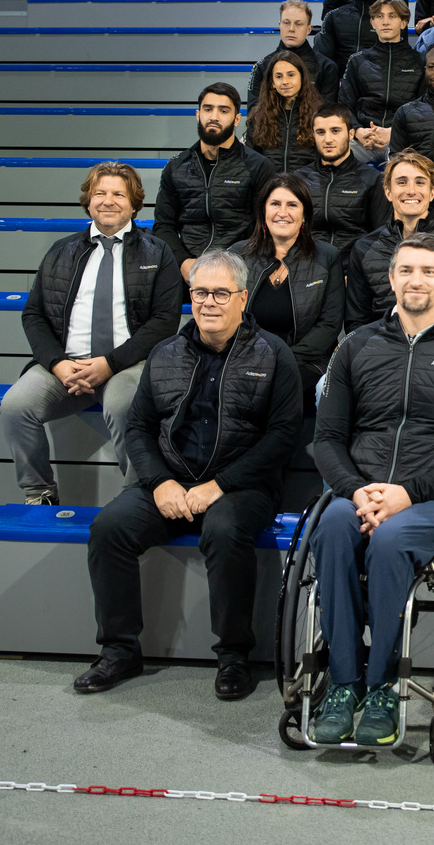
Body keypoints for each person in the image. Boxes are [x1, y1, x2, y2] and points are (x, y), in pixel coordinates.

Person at [306, 234, 434, 746]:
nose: (415, 280)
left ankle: (380, 686)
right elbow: (327, 439)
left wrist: (407, 493)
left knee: (391, 540)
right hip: (357, 493)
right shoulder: (355, 345)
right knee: (331, 530)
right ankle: (343, 682)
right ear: (391, 278)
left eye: (428, 271)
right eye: (406, 270)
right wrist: (356, 492)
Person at [76, 248, 300, 699]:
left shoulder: (275, 354)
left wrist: (219, 486)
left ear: (242, 298)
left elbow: (282, 435)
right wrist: (159, 482)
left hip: (242, 487)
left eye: (220, 293)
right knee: (109, 528)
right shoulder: (164, 352)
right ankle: (119, 650)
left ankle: (234, 656)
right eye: (200, 292)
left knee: (224, 530)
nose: (208, 302)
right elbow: (138, 426)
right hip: (171, 481)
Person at [6, 162, 183, 507]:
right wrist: (57, 364)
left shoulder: (157, 252)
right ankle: (38, 492)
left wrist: (110, 363)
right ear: (88, 201)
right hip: (66, 367)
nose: (108, 201)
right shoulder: (60, 251)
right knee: (15, 406)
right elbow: (34, 314)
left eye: (119, 194)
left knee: (123, 406)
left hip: (126, 366)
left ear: (134, 204)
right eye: (100, 193)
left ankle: (137, 496)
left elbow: (164, 322)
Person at [229, 174, 343, 415]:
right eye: (275, 204)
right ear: (263, 212)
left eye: (292, 205)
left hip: (306, 361)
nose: (283, 212)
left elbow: (329, 326)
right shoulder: (238, 255)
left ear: (304, 215)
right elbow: (227, 315)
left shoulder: (327, 257)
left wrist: (281, 359)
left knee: (279, 388)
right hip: (246, 357)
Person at [344, 151, 434, 329]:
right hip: (381, 350)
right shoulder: (363, 248)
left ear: (432, 192)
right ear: (388, 192)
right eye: (401, 182)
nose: (411, 191)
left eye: (420, 182)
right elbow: (356, 323)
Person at [154, 82, 274, 281]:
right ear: (197, 114)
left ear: (237, 119)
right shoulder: (176, 167)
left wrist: (236, 263)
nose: (214, 117)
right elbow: (163, 225)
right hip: (187, 268)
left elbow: (264, 228)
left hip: (240, 269)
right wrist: (183, 262)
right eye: (207, 109)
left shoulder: (258, 167)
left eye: (223, 110)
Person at [296, 102, 390, 250]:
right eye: (321, 132)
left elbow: (381, 235)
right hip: (309, 266)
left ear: (351, 134)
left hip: (351, 267)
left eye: (335, 131)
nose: (327, 139)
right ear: (313, 135)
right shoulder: (299, 180)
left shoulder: (373, 179)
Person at [338, 0, 422, 158]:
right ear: (372, 22)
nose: (385, 22)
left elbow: (423, 108)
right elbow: (344, 105)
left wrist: (394, 132)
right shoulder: (358, 61)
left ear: (403, 23)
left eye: (392, 16)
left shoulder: (419, 61)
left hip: (402, 139)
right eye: (379, 16)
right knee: (336, 156)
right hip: (363, 139)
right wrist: (358, 131)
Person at [248, 0, 338, 111]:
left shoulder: (327, 67)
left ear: (308, 29)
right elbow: (254, 113)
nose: (291, 29)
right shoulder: (262, 66)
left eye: (298, 24)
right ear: (280, 25)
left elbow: (327, 114)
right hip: (270, 127)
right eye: (286, 23)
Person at [245, 49, 320, 173]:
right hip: (269, 186)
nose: (285, 81)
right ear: (272, 83)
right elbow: (251, 160)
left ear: (302, 78)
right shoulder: (258, 117)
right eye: (279, 76)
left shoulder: (318, 116)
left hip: (307, 187)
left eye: (291, 75)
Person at [313, 0, 385, 75]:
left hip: (378, 85)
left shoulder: (390, 19)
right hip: (340, 86)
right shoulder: (333, 17)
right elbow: (322, 62)